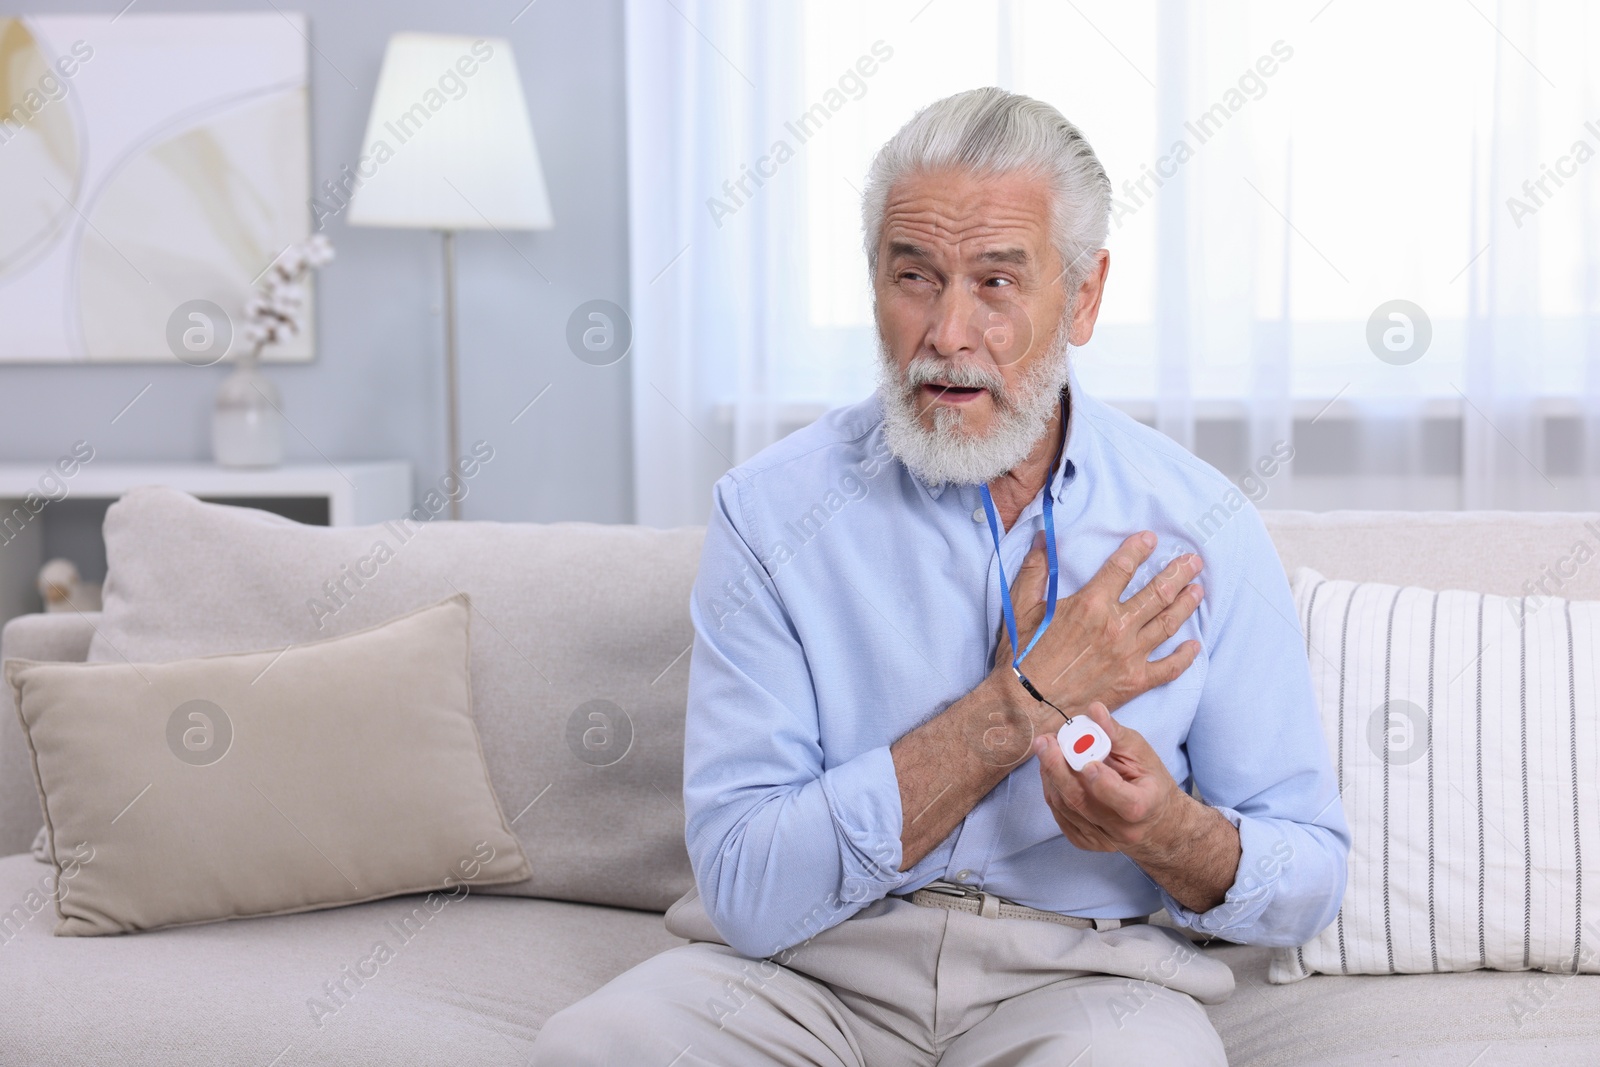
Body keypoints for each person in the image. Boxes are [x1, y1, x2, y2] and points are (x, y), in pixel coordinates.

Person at [533, 86, 1348, 1066]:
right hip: (809, 963)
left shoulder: (1201, 524)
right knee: (599, 1046)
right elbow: (746, 883)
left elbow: (1308, 870)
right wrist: (1019, 705)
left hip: (1082, 976)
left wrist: (1171, 831)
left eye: (997, 284)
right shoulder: (770, 513)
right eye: (913, 276)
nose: (947, 332)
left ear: (1082, 295)